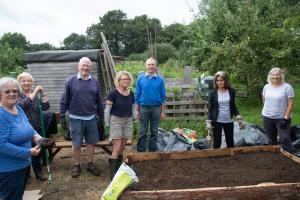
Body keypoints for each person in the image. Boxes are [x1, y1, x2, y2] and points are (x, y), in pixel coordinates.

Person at [0, 77, 54, 200]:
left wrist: (40, 139)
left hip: (22, 165)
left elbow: (29, 129)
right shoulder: (1, 115)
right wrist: (28, 152)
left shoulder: (18, 109)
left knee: (18, 195)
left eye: (14, 91)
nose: (12, 94)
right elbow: (1, 145)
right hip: (8, 169)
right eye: (7, 91)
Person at [60, 57, 104, 178]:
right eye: (83, 65)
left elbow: (99, 100)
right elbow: (64, 99)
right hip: (75, 118)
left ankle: (90, 164)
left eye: (88, 66)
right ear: (78, 66)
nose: (85, 68)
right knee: (76, 143)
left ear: (90, 67)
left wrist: (102, 116)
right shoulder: (70, 81)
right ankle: (76, 165)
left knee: (91, 142)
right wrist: (62, 116)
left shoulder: (94, 81)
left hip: (91, 118)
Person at [17, 72, 50, 181]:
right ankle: (25, 173)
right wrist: (35, 91)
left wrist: (43, 94)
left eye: (29, 81)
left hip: (36, 127)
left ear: (32, 82)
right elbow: (23, 105)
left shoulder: (36, 95)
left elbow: (45, 107)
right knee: (24, 151)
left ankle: (38, 172)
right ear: (19, 83)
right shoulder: (16, 95)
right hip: (22, 129)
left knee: (37, 150)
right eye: (24, 81)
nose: (26, 83)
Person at [104, 71, 135, 179]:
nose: (126, 81)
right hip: (116, 121)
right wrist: (107, 124)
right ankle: (112, 174)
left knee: (122, 146)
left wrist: (134, 120)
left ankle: (118, 168)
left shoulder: (131, 93)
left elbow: (132, 107)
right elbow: (107, 110)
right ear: (118, 81)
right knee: (117, 148)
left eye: (128, 79)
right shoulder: (113, 93)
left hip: (128, 121)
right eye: (124, 79)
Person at [135, 57, 166, 152]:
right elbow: (137, 95)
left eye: (153, 64)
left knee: (154, 131)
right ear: (146, 65)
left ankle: (152, 150)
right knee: (143, 131)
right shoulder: (140, 79)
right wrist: (136, 110)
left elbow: (163, 97)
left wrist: (163, 112)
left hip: (156, 108)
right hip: (143, 107)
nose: (151, 66)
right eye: (149, 64)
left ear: (155, 66)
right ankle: (141, 150)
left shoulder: (160, 80)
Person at [207, 71, 243, 148]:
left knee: (230, 141)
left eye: (221, 80)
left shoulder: (231, 91)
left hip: (228, 120)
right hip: (216, 120)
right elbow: (211, 108)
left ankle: (232, 159)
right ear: (215, 82)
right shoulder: (212, 93)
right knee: (217, 141)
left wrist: (238, 115)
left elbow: (233, 105)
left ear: (225, 80)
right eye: (217, 81)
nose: (219, 82)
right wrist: (208, 122)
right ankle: (216, 158)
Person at [262, 67, 294, 153]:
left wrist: (286, 117)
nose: (275, 76)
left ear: (281, 76)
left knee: (285, 139)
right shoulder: (266, 87)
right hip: (267, 117)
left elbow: (290, 103)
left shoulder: (287, 87)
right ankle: (273, 158)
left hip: (282, 119)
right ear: (270, 76)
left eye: (277, 74)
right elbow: (264, 100)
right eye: (273, 74)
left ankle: (289, 158)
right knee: (271, 140)